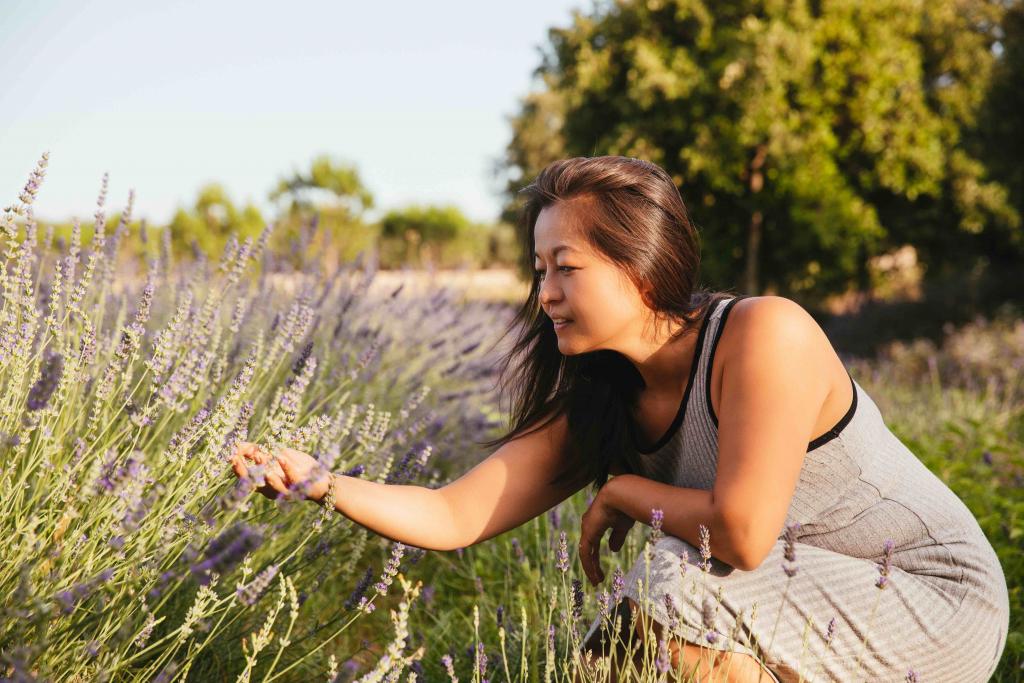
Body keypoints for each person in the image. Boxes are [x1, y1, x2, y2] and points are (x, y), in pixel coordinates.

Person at [231, 156, 1010, 682]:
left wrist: (624, 493)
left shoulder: (763, 334)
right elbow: (454, 513)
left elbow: (738, 534)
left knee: (674, 575)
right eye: (539, 270)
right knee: (625, 643)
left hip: (930, 599)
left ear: (640, 262)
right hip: (798, 599)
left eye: (566, 267)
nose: (545, 294)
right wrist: (326, 484)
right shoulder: (603, 397)